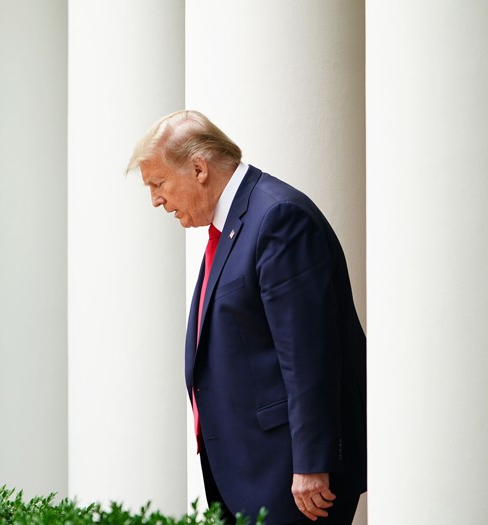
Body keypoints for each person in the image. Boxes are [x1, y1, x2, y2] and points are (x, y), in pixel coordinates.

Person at [127, 110, 367, 525]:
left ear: (199, 169)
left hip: (290, 476)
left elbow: (309, 353)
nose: (156, 200)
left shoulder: (276, 217)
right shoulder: (236, 224)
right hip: (249, 471)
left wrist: (311, 463)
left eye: (159, 183)